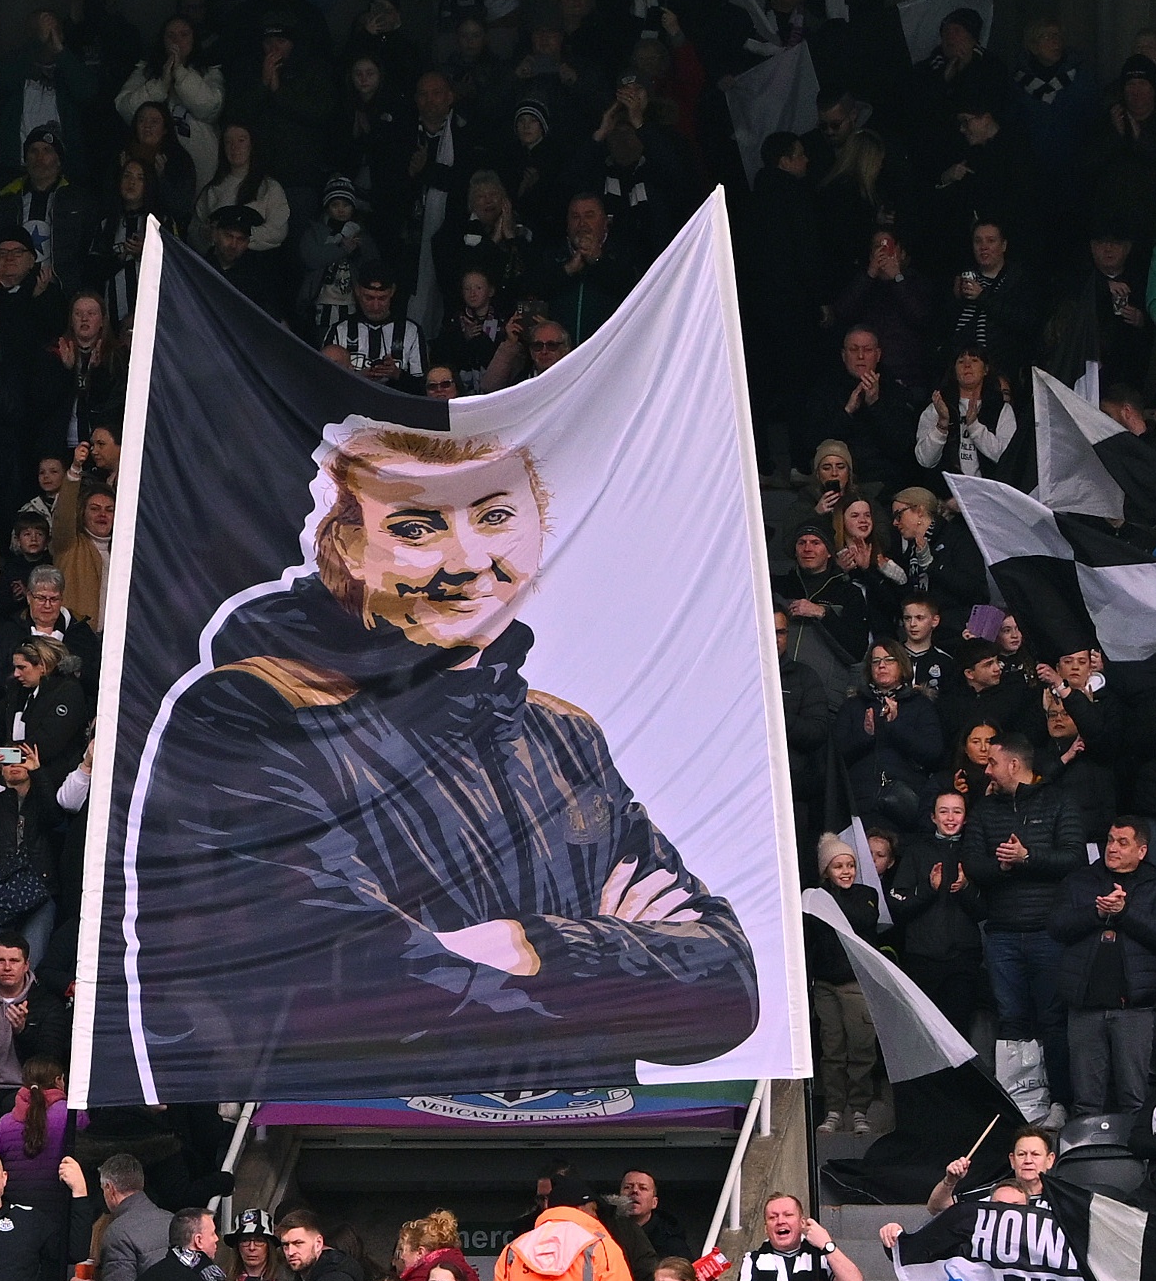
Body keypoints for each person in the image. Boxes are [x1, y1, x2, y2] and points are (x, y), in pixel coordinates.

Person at [109, 415, 757, 1102]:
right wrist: (614, 967)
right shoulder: (253, 713)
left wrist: (530, 944)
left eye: (497, 516)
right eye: (417, 528)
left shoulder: (565, 738)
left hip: (585, 1148)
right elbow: (354, 994)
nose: (470, 559)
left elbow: (728, 989)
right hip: (357, 1157)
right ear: (350, 547)